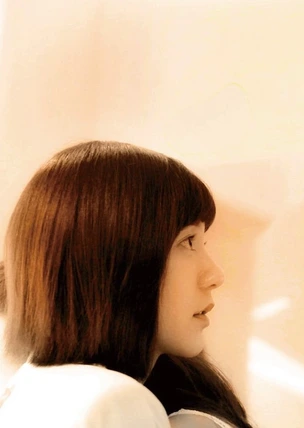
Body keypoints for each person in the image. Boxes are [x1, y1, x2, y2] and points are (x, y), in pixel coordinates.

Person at [0, 141, 249, 427]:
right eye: (188, 241)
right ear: (112, 259)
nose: (215, 275)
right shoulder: (114, 400)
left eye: (203, 243)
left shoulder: (24, 394)